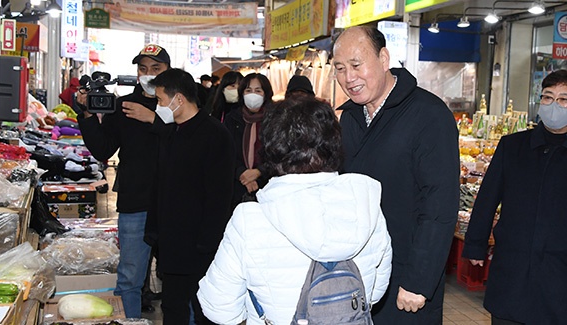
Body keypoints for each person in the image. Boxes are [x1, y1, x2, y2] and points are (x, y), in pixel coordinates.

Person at [197, 97, 393, 325]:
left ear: (271, 148)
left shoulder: (250, 220)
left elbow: (219, 308)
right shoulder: (365, 204)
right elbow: (375, 292)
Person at [461, 70, 567, 324]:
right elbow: (487, 199)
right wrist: (475, 243)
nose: (555, 105)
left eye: (565, 99)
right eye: (548, 97)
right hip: (513, 264)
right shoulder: (512, 147)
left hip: (563, 271)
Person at [332, 26, 460, 324]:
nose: (349, 77)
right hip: (357, 273)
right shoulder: (349, 117)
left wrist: (419, 280)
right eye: (339, 68)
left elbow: (440, 206)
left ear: (384, 58)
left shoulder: (429, 115)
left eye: (356, 65)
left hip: (406, 276)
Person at [77, 44, 170, 318]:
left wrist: (153, 119)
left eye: (156, 69)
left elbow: (189, 144)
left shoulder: (179, 105)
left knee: (180, 276)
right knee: (129, 276)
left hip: (175, 201)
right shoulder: (123, 105)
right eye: (143, 69)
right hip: (134, 201)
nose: (148, 74)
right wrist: (86, 116)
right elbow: (104, 149)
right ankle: (129, 321)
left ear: (168, 71)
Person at [145, 68, 235, 325]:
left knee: (205, 310)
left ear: (179, 100)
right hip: (171, 244)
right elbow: (160, 186)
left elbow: (219, 195)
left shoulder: (215, 135)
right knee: (173, 309)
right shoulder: (171, 132)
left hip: (200, 246)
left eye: (161, 100)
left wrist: (207, 242)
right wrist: (155, 231)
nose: (159, 106)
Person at [223, 73, 272, 210]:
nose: (253, 95)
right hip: (237, 187)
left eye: (258, 91)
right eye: (248, 90)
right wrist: (242, 173)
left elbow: (281, 154)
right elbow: (225, 152)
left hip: (268, 187)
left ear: (266, 93)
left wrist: (259, 172)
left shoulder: (276, 119)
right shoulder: (232, 119)